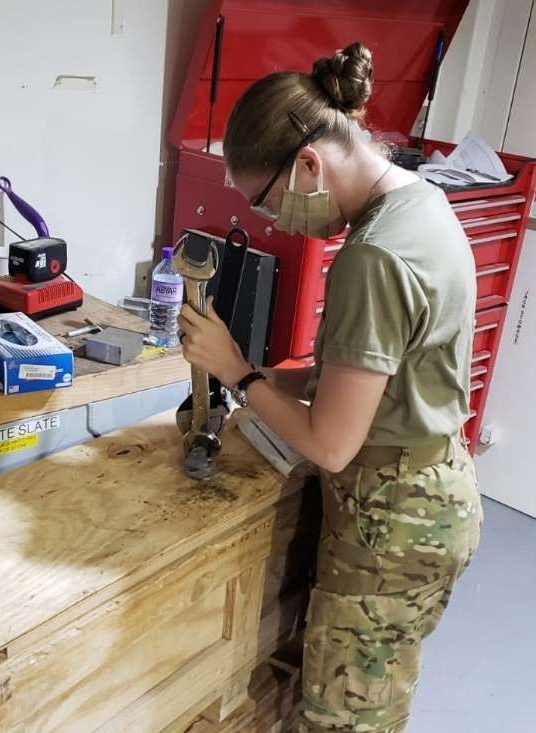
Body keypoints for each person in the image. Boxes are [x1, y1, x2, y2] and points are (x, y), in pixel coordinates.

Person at [177, 42, 483, 733]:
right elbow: (356, 372)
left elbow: (333, 442)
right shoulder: (418, 204)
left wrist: (238, 371)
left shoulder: (373, 257)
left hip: (390, 525)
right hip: (430, 494)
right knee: (375, 701)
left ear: (309, 163)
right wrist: (247, 388)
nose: (275, 221)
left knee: (343, 720)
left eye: (269, 200)